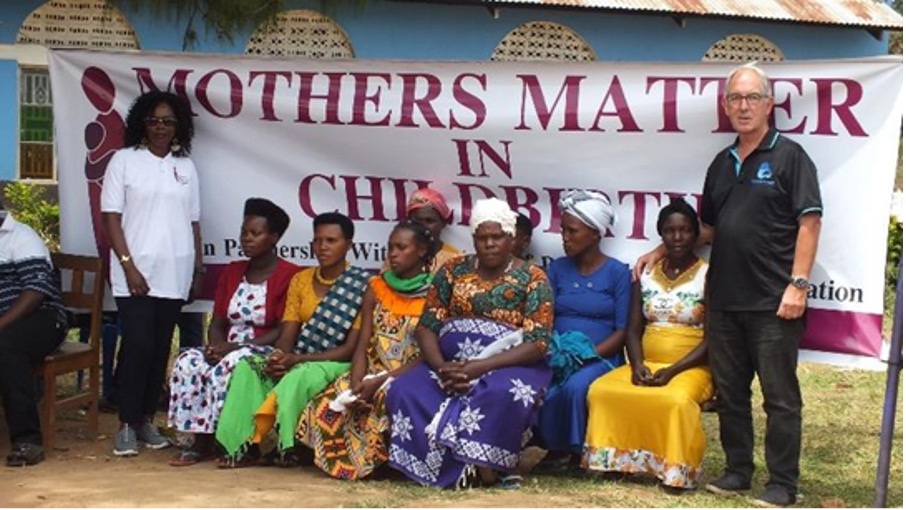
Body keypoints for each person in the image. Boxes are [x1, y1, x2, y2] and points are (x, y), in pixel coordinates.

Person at [634, 63, 822, 507]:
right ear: (725, 105)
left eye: (752, 97)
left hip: (773, 301)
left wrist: (798, 285)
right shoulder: (721, 163)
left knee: (780, 399)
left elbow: (810, 223)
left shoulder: (790, 156)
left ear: (768, 104)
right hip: (723, 301)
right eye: (735, 98)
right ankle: (738, 472)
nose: (743, 106)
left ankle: (782, 484)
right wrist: (658, 250)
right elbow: (709, 229)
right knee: (731, 393)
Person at [386, 197, 554, 489]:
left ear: (510, 238)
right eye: (482, 237)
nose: (489, 244)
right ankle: (441, 466)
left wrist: (479, 367)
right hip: (448, 364)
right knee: (404, 389)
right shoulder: (452, 270)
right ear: (473, 239)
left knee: (506, 393)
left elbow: (537, 342)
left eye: (497, 237)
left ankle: (493, 465)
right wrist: (442, 367)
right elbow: (428, 326)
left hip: (507, 363)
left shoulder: (533, 278)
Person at [215, 212, 368, 466]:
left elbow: (349, 349)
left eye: (331, 240)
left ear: (349, 245)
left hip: (336, 363)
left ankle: (288, 447)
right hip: (299, 357)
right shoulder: (301, 280)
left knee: (300, 375)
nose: (323, 247)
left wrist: (297, 360)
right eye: (318, 240)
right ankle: (241, 446)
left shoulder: (363, 285)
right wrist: (280, 357)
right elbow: (288, 333)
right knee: (249, 367)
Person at [584, 198, 712, 490]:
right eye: (670, 231)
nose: (677, 237)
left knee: (675, 400)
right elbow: (632, 330)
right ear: (660, 234)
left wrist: (673, 371)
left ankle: (676, 472)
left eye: (685, 230)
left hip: (692, 366)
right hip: (648, 363)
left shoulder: (709, 275)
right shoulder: (645, 273)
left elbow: (713, 339)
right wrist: (637, 365)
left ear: (696, 234)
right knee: (602, 391)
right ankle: (618, 462)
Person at [101, 91, 203, 457]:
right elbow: (110, 218)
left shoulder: (186, 167)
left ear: (179, 126)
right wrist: (129, 266)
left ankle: (146, 419)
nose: (161, 127)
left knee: (160, 349)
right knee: (138, 346)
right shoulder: (124, 161)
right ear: (142, 124)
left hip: (175, 271)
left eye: (168, 121)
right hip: (135, 273)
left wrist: (197, 269)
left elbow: (193, 222)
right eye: (154, 120)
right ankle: (126, 424)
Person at [296, 220, 433, 480]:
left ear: (422, 251)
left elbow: (427, 355)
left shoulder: (434, 294)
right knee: (327, 402)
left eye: (401, 247)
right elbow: (362, 344)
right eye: (390, 247)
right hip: (372, 370)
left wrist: (382, 380)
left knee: (384, 399)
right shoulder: (377, 287)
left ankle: (382, 463)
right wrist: (357, 381)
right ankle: (341, 463)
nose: (393, 254)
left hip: (408, 373)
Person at [167, 198, 299, 466]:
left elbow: (283, 328)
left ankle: (238, 441)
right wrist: (216, 347)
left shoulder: (290, 274)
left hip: (263, 348)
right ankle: (199, 439)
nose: (247, 238)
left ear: (274, 238)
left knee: (235, 364)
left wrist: (237, 348)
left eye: (255, 233)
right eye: (244, 232)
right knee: (188, 362)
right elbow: (217, 321)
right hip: (227, 347)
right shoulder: (233, 271)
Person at [534, 190, 630, 470]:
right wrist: (555, 352)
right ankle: (553, 447)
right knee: (541, 378)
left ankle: (572, 450)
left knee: (576, 386)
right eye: (563, 230)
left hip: (600, 357)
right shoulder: (557, 269)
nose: (564, 237)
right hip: (558, 351)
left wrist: (585, 355)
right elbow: (545, 317)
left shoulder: (617, 273)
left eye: (572, 231)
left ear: (595, 233)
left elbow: (622, 331)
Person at [0, 205, 68, 466]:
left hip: (42, 317)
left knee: (6, 347)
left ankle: (27, 440)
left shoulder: (21, 236)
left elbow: (36, 290)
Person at [392, 187, 462, 273]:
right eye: (417, 221)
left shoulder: (456, 261)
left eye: (429, 221)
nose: (423, 226)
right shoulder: (399, 256)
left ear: (443, 223)